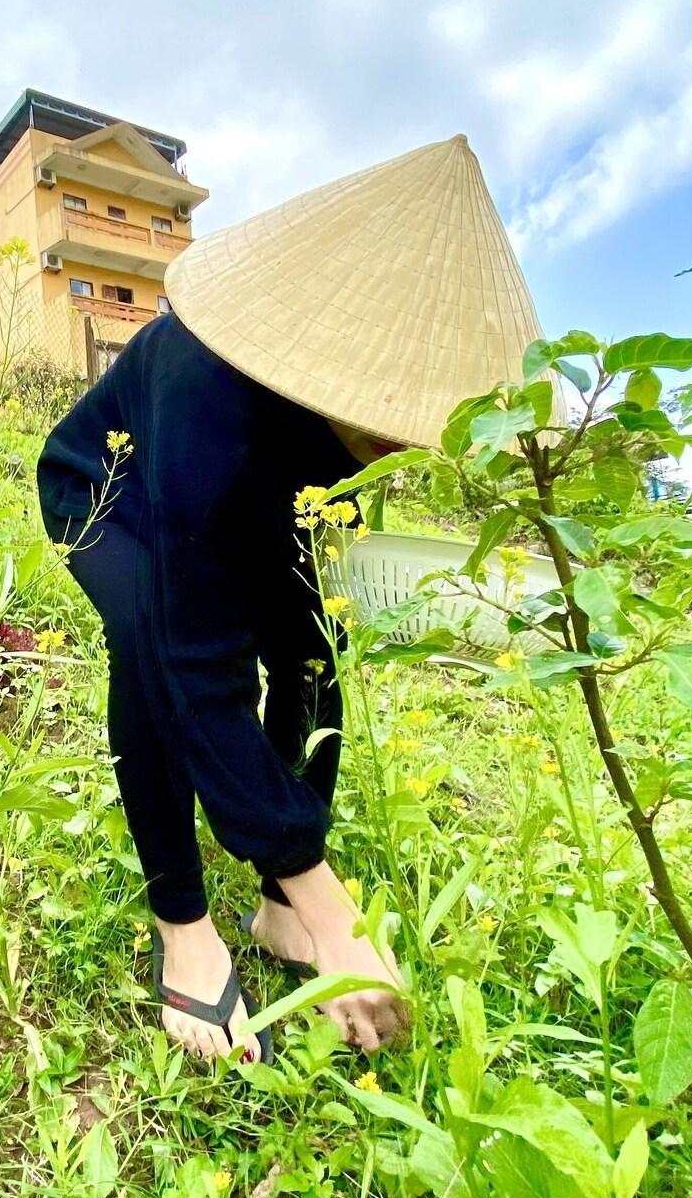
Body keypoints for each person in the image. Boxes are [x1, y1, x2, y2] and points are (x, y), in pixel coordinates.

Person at [36, 133, 545, 1062]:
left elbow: (299, 643)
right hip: (107, 494)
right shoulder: (205, 386)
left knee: (315, 643)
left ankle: (273, 907)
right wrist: (329, 894)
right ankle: (181, 919)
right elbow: (200, 657)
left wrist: (295, 883)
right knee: (153, 642)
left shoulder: (354, 410)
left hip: (241, 487)